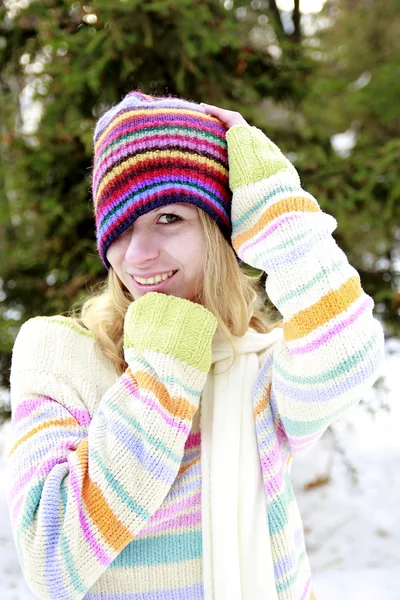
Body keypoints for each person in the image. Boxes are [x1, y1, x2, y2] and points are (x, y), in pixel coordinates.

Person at [7, 91, 384, 600]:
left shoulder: (256, 365)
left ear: (218, 230)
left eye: (169, 218)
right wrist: (162, 365)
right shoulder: (60, 354)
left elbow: (350, 354)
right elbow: (51, 559)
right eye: (120, 227)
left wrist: (275, 206)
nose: (138, 254)